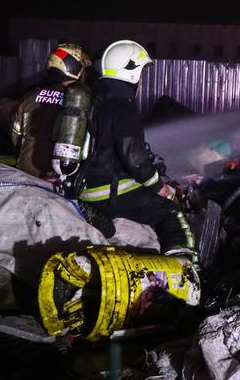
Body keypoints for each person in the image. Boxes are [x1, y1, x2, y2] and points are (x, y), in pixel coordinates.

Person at [79, 40, 196, 258]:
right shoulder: (123, 108)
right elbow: (134, 156)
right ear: (131, 73)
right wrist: (157, 186)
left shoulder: (96, 101)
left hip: (89, 189)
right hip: (110, 193)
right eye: (141, 73)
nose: (142, 80)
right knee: (171, 212)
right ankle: (184, 265)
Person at [11, 44, 92, 180]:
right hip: (58, 176)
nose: (85, 72)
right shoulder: (80, 100)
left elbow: (15, 136)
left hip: (26, 170)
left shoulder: (30, 96)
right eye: (83, 67)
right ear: (73, 66)